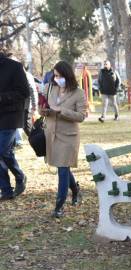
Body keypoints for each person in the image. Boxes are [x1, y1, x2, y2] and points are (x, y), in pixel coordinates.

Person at [41, 61, 86, 217]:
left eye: (59, 75)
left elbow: (81, 116)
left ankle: (58, 206)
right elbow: (44, 107)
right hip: (51, 134)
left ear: (67, 75)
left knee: (62, 169)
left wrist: (62, 110)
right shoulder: (49, 88)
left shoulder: (78, 93)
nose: (56, 78)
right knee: (63, 167)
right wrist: (44, 111)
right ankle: (76, 190)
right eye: (54, 75)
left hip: (68, 137)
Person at [0, 47, 29, 201]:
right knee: (5, 152)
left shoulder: (14, 67)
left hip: (10, 116)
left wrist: (2, 98)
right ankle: (10, 186)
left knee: (1, 151)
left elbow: (24, 92)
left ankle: (9, 186)